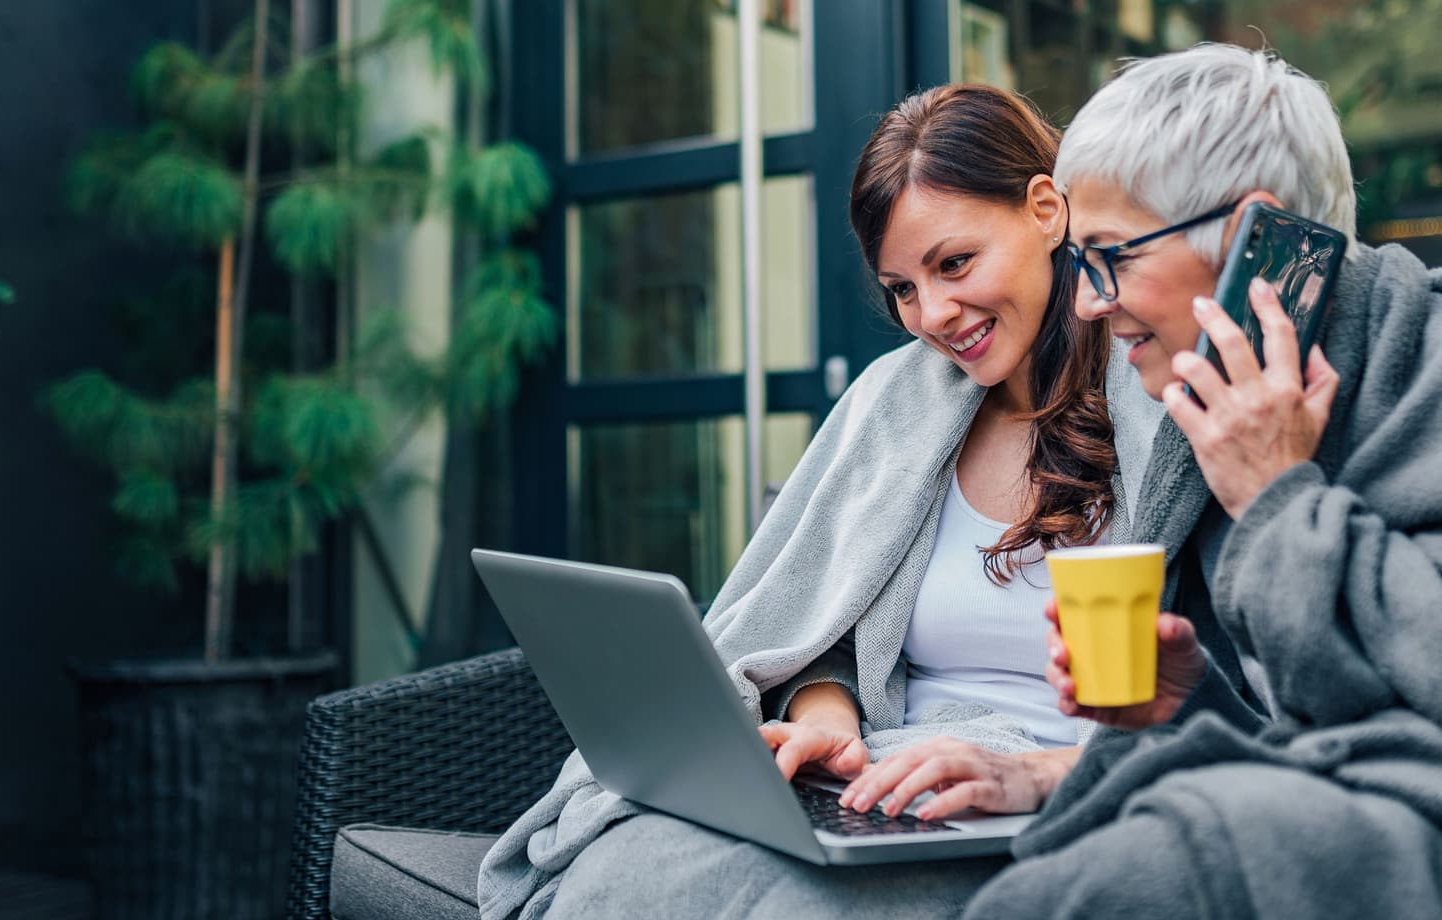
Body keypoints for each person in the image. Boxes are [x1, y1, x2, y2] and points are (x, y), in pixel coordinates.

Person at [862, 43, 1442, 917]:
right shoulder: (1225, 409)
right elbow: (1315, 735)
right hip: (1374, 813)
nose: (1089, 301)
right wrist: (1185, 700)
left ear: (1260, 234)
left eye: (1112, 258)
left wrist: (1278, 502)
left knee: (1150, 869)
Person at [477, 85, 1152, 920]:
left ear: (1047, 209)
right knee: (633, 863)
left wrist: (1032, 774)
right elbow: (819, 630)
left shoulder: (1161, 401)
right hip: (886, 780)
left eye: (954, 264)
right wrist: (830, 718)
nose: (933, 316)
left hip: (1051, 800)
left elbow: (1228, 693)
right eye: (902, 289)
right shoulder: (896, 408)